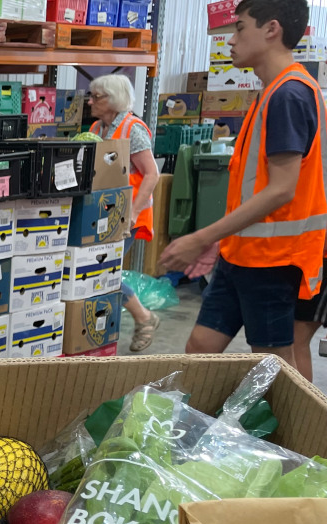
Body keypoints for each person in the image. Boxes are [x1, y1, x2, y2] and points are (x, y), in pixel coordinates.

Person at [161, 0, 327, 366]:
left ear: (271, 29)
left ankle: (294, 424)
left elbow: (282, 189)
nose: (230, 41)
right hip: (242, 255)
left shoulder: (289, 94)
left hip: (273, 261)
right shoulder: (270, 92)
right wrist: (221, 242)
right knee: (200, 348)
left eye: (238, 28)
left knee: (271, 367)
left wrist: (201, 236)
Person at [87, 74, 162, 352]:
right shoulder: (98, 127)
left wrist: (131, 213)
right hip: (104, 212)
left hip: (127, 214)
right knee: (97, 270)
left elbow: (151, 174)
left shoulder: (132, 129)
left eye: (98, 97)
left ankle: (144, 318)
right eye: (92, 95)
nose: (91, 101)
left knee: (103, 270)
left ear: (114, 99)